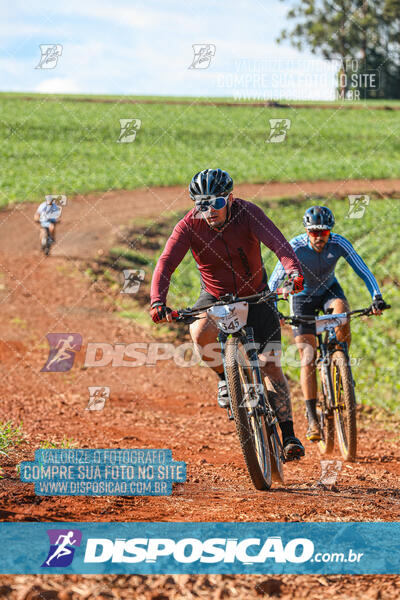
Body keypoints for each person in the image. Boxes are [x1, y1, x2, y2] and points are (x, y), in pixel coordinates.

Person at [149, 168, 306, 460]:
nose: (209, 211)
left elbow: (279, 245)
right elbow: (165, 263)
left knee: (270, 365)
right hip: (215, 295)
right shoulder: (188, 226)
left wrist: (293, 271)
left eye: (217, 203)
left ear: (230, 199)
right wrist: (158, 301)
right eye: (202, 205)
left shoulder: (248, 213)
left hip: (257, 294)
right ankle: (224, 377)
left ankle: (288, 434)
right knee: (198, 331)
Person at [268, 205, 387, 442]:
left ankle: (341, 361)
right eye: (314, 232)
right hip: (301, 296)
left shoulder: (339, 243)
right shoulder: (295, 247)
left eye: (324, 232)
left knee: (343, 311)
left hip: (329, 291)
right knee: (307, 356)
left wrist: (377, 297)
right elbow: (274, 281)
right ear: (306, 231)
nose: (319, 237)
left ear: (330, 232)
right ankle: (312, 417)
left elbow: (363, 270)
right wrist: (273, 307)